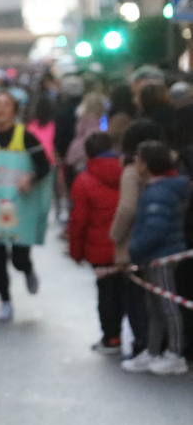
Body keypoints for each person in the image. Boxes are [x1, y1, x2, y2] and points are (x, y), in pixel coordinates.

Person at [0, 91, 51, 323]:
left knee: (18, 257)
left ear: (14, 111)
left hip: (20, 206)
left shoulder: (26, 137)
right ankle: (6, 301)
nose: (1, 109)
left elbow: (44, 165)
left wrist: (31, 177)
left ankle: (27, 269)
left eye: (6, 105)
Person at [121, 140, 190, 375]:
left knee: (166, 305)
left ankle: (175, 353)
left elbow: (154, 228)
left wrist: (135, 249)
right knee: (155, 306)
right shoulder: (163, 188)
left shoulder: (158, 193)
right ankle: (153, 351)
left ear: (146, 164)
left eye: (139, 159)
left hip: (162, 255)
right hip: (158, 254)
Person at [108, 119, 164, 360]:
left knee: (137, 298)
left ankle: (142, 345)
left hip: (134, 242)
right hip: (161, 241)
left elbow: (127, 208)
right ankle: (157, 345)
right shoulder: (166, 165)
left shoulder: (131, 171)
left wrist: (114, 235)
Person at [67, 132, 124, 354]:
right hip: (127, 245)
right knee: (125, 292)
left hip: (99, 248)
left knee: (106, 292)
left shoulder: (83, 180)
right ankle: (132, 337)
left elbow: (78, 220)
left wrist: (76, 252)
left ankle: (111, 337)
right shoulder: (128, 173)